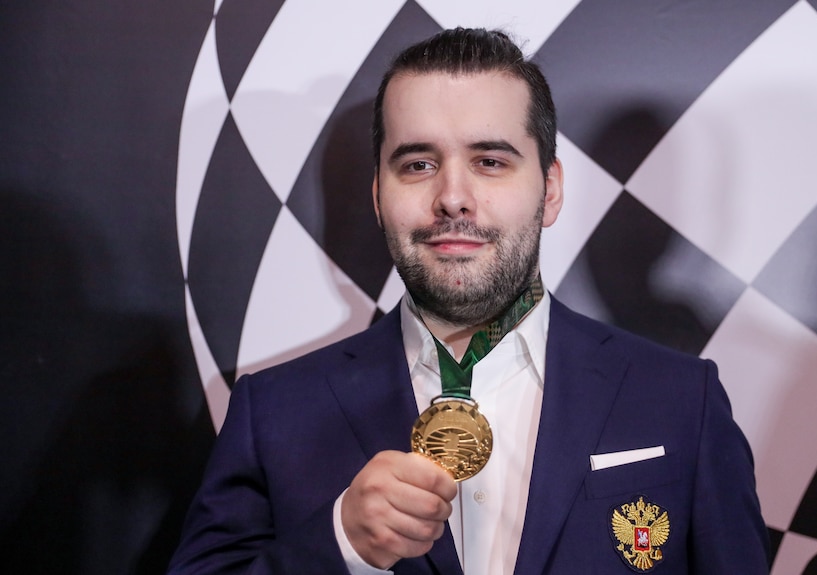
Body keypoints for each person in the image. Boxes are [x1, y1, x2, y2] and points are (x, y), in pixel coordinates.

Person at [167, 28, 769, 574]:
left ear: (550, 190)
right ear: (379, 197)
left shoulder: (680, 400)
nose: (453, 196)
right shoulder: (274, 412)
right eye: (419, 163)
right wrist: (341, 544)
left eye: (489, 161)